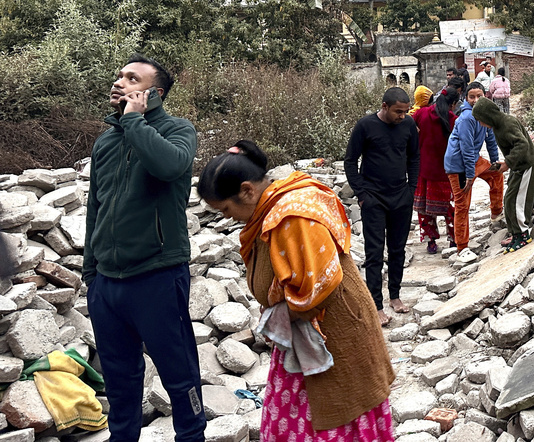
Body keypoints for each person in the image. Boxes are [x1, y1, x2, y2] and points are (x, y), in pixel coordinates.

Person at [198, 141, 395, 442]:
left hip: (334, 334)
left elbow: (315, 289)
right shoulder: (270, 209)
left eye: (226, 209)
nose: (226, 217)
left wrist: (273, 318)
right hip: (303, 337)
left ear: (247, 191)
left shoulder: (292, 216)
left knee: (334, 414)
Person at [83, 54, 206, 442]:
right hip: (107, 284)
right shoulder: (106, 141)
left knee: (179, 374)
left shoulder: (178, 130)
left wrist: (135, 120)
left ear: (155, 93)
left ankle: (192, 435)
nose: (119, 82)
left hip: (157, 275)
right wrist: (91, 274)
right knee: (119, 380)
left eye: (132, 78)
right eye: (119, 75)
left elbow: (169, 166)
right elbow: (95, 208)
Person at [344, 87, 420, 326]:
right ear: (384, 106)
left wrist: (411, 190)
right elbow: (350, 161)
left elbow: (414, 157)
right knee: (374, 253)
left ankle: (395, 296)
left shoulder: (408, 125)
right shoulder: (365, 126)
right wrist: (361, 193)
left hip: (401, 197)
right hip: (373, 199)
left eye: (405, 111)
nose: (402, 116)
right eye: (398, 111)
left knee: (398, 249)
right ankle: (375, 305)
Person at [444, 82, 505, 258]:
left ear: (486, 97)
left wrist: (495, 161)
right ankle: (462, 247)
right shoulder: (466, 118)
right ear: (466, 98)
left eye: (479, 96)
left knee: (496, 174)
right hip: (458, 165)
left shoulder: (484, 115)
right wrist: (470, 175)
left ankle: (496, 215)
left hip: (473, 159)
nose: (476, 100)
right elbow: (466, 148)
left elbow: (490, 139)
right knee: (462, 204)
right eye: (472, 97)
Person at [472, 97, 534, 252]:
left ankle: (523, 234)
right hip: (519, 166)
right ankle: (515, 233)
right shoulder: (498, 125)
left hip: (527, 165)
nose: (481, 124)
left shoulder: (507, 123)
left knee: (518, 201)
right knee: (509, 199)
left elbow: (522, 144)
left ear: (488, 116)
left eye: (481, 120)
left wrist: (507, 163)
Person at [412, 87, 457, 255]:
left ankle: (431, 241)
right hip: (446, 170)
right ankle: (453, 239)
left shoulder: (421, 114)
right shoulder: (453, 119)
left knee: (424, 209)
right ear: (453, 104)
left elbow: (408, 127)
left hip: (424, 168)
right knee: (450, 208)